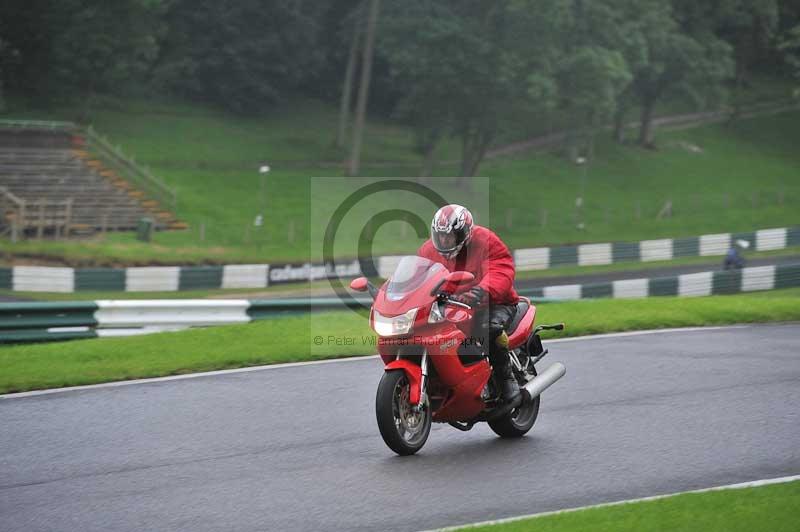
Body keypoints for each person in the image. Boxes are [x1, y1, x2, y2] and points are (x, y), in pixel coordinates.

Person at [417, 204, 521, 403]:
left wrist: (479, 291)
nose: (444, 241)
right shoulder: (428, 250)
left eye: (450, 237)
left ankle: (506, 379)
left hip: (493, 303)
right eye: (440, 236)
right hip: (452, 305)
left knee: (488, 329)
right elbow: (416, 276)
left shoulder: (485, 240)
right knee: (427, 332)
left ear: (464, 233)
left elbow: (500, 270)